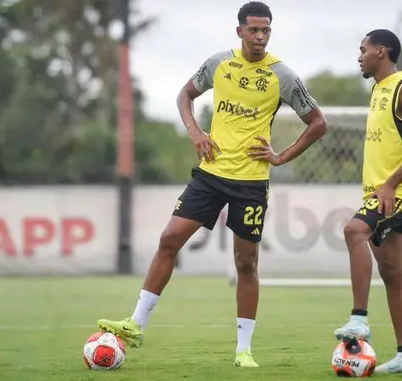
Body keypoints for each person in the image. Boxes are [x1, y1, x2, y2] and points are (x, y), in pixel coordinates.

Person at [96, 1, 327, 369]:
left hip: (251, 183)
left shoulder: (282, 75)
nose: (260, 36)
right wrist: (196, 132)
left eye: (266, 30)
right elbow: (184, 95)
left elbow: (318, 123)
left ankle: (243, 349)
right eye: (253, 29)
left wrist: (281, 156)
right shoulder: (219, 63)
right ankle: (136, 324)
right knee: (169, 239)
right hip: (211, 175)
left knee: (246, 263)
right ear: (239, 32)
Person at [333, 29, 402, 374]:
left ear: (381, 51)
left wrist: (390, 184)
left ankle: (359, 320)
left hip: (401, 192)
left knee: (353, 231)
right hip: (380, 192)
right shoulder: (378, 89)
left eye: (362, 49)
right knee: (393, 274)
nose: (359, 56)